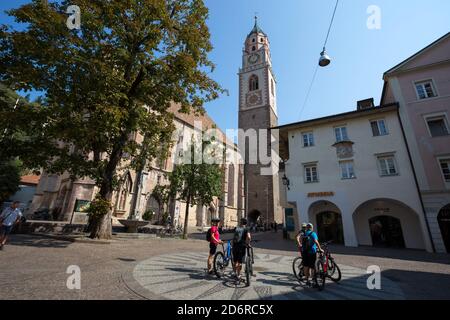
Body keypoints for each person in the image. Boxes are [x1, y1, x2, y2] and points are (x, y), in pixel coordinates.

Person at [300, 223, 323, 288]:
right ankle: (313, 280)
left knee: (305, 266)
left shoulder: (303, 234)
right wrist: (320, 249)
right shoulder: (313, 233)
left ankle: (307, 280)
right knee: (312, 266)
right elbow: (316, 241)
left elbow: (301, 242)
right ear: (312, 227)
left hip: (304, 252)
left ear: (306, 228)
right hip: (312, 252)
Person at [232, 218, 251, 283]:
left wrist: (233, 245)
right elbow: (249, 237)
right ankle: (239, 275)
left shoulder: (237, 228)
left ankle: (234, 273)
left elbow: (233, 238)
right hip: (241, 247)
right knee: (240, 262)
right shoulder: (246, 229)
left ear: (241, 222)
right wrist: (247, 244)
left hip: (235, 246)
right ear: (246, 223)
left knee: (235, 261)